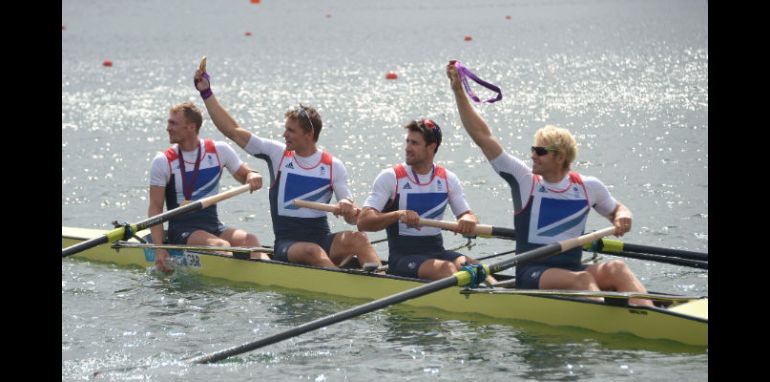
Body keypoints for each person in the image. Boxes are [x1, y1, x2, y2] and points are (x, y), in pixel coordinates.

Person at [446, 60, 654, 306]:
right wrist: (459, 91)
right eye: (533, 149)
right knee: (582, 281)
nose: (533, 155)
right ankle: (606, 318)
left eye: (540, 151)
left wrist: (623, 216)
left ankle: (649, 313)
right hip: (533, 274)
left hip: (573, 270)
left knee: (617, 268)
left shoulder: (589, 187)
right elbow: (482, 136)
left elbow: (618, 210)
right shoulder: (525, 182)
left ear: (560, 157)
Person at [193, 63, 380, 269]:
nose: (284, 135)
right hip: (288, 245)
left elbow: (350, 215)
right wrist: (206, 93)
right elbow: (233, 131)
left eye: (291, 131)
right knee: (313, 251)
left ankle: (381, 281)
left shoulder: (333, 166)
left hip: (322, 239)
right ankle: (340, 282)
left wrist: (347, 208)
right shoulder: (278, 155)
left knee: (359, 239)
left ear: (308, 134)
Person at [357, 119, 491, 282]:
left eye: (414, 143)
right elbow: (363, 221)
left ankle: (498, 293)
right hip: (403, 258)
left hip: (437, 252)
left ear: (432, 147)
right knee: (447, 269)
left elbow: (467, 215)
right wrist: (397, 215)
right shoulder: (391, 177)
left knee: (479, 270)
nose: (407, 148)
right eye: (407, 142)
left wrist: (468, 220)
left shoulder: (448, 179)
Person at [148, 101, 270, 273]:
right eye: (169, 123)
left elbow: (245, 175)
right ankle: (244, 276)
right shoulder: (163, 161)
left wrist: (252, 175)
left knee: (250, 240)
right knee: (220, 245)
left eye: (173, 123)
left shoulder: (219, 151)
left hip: (213, 225)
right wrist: (159, 249)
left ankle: (266, 274)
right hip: (182, 231)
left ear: (191, 127)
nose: (168, 128)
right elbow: (155, 208)